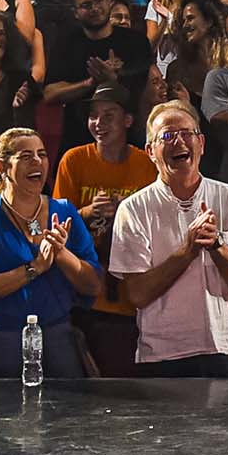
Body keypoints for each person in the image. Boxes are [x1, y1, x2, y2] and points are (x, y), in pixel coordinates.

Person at [108, 99, 228, 377]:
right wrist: (187, 251)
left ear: (201, 144)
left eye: (186, 134)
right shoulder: (133, 209)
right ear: (150, 152)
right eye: (167, 136)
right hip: (163, 356)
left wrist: (217, 246)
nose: (178, 142)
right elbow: (138, 294)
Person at [0, 127, 102, 381]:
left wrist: (62, 255)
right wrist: (34, 268)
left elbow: (93, 285)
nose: (37, 162)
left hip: (55, 340)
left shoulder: (64, 212)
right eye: (25, 156)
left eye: (42, 154)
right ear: (2, 166)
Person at [55, 90, 158, 377]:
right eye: (93, 116)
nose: (98, 122)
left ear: (127, 120)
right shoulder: (74, 160)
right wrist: (87, 212)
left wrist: (127, 211)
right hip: (88, 290)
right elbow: (56, 221)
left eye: (108, 115)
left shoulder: (146, 163)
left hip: (133, 292)